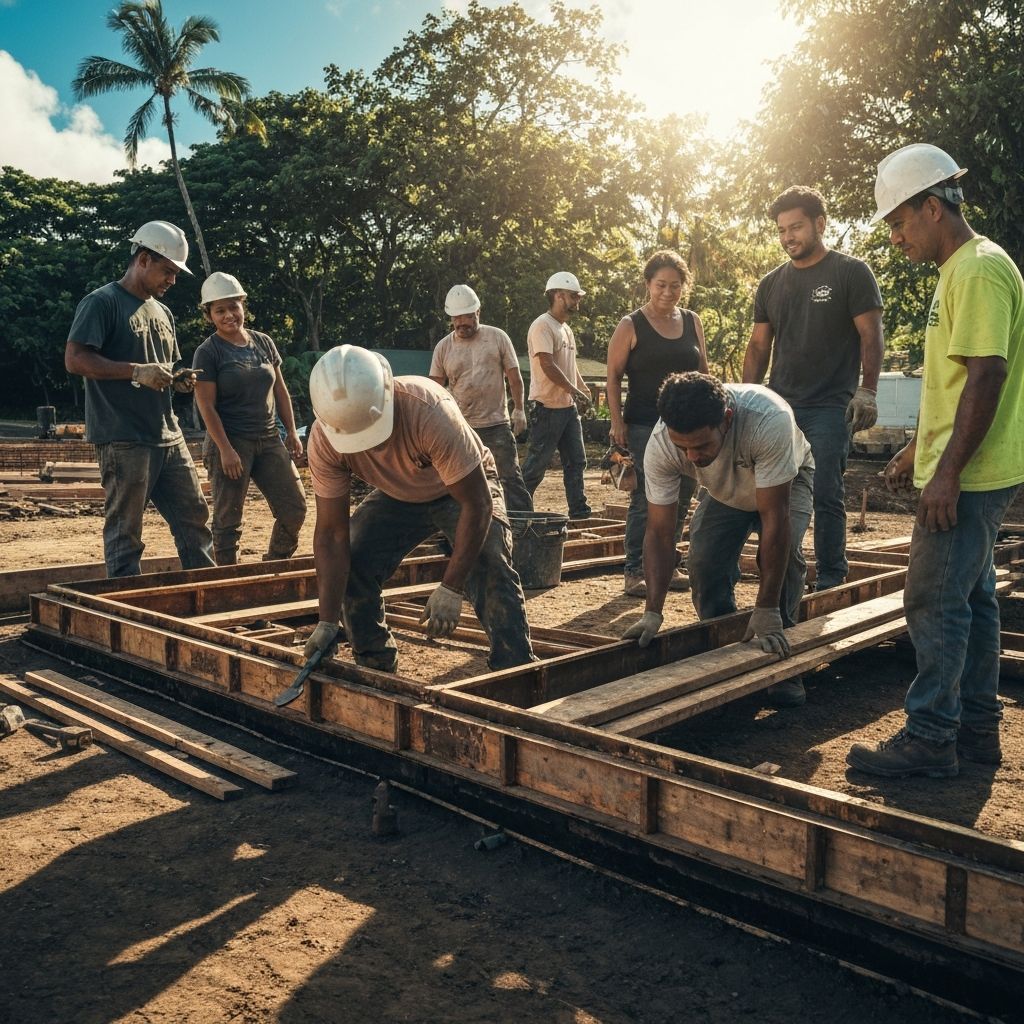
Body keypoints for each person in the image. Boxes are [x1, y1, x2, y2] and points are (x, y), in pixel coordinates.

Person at [846, 144, 1024, 778]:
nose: (895, 238)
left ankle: (930, 737)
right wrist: (919, 451)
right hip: (969, 467)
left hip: (970, 475)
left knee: (932, 600)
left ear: (932, 206)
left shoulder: (975, 270)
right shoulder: (963, 270)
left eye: (899, 222)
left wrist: (946, 473)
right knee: (972, 601)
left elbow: (987, 375)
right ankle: (975, 733)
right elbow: (955, 383)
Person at [302, 344, 535, 674]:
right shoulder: (325, 440)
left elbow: (478, 503)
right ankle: (374, 666)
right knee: (353, 558)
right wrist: (327, 621)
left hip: (463, 489)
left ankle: (516, 671)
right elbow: (331, 534)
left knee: (489, 559)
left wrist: (451, 588)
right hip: (397, 493)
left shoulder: (428, 409)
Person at [624, 372, 814, 707]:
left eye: (701, 446)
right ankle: (724, 651)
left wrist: (767, 606)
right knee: (704, 561)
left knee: (787, 563)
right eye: (683, 447)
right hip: (725, 491)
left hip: (788, 483)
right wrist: (652, 611)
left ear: (726, 419)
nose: (692, 457)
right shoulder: (662, 444)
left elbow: (775, 519)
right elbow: (659, 532)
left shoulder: (768, 420)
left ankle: (782, 656)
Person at [743, 186, 884, 591]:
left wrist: (868, 390)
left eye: (797, 227)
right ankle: (785, 570)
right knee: (771, 491)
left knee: (825, 490)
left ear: (820, 224)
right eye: (782, 230)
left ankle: (831, 575)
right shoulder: (771, 284)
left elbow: (870, 336)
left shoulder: (850, 272)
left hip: (830, 406)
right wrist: (741, 400)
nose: (788, 237)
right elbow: (758, 346)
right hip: (779, 406)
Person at [64, 220, 214, 578]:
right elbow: (75, 359)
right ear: (144, 259)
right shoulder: (101, 302)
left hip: (167, 433)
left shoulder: (163, 313)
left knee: (194, 519)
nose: (172, 281)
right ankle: (126, 605)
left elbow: (165, 366)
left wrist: (178, 380)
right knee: (126, 532)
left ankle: (208, 592)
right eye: (167, 271)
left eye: (176, 274)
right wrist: (135, 372)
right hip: (123, 437)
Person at [607, 250, 710, 596]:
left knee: (682, 495)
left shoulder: (692, 321)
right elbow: (612, 376)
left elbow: (705, 373)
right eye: (661, 285)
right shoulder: (630, 325)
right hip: (642, 424)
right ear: (648, 285)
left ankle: (667, 564)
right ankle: (635, 570)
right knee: (645, 498)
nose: (668, 292)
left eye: (675, 286)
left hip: (687, 426)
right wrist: (616, 421)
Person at [192, 272, 306, 565]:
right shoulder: (208, 352)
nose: (229, 315)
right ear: (209, 315)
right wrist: (226, 450)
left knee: (294, 508)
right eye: (220, 310)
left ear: (243, 305)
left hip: (269, 439)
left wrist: (291, 431)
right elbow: (206, 406)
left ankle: (272, 566)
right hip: (230, 442)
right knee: (228, 519)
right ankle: (229, 580)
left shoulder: (263, 343)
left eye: (233, 307)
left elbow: (280, 390)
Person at [429, 284, 532, 512]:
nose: (461, 322)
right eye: (457, 318)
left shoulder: (497, 337)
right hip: (459, 427)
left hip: (495, 425)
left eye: (467, 316)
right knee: (456, 483)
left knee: (510, 479)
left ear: (478, 312)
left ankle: (525, 529)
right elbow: (434, 389)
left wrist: (519, 409)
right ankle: (457, 532)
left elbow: (514, 377)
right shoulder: (443, 348)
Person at [520, 271, 593, 520]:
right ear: (559, 295)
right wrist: (574, 391)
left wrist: (582, 391)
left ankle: (579, 511)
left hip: (567, 407)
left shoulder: (566, 329)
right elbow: (547, 365)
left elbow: (570, 368)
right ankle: (517, 509)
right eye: (574, 296)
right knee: (537, 464)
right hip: (546, 406)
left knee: (577, 461)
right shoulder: (542, 325)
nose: (577, 301)